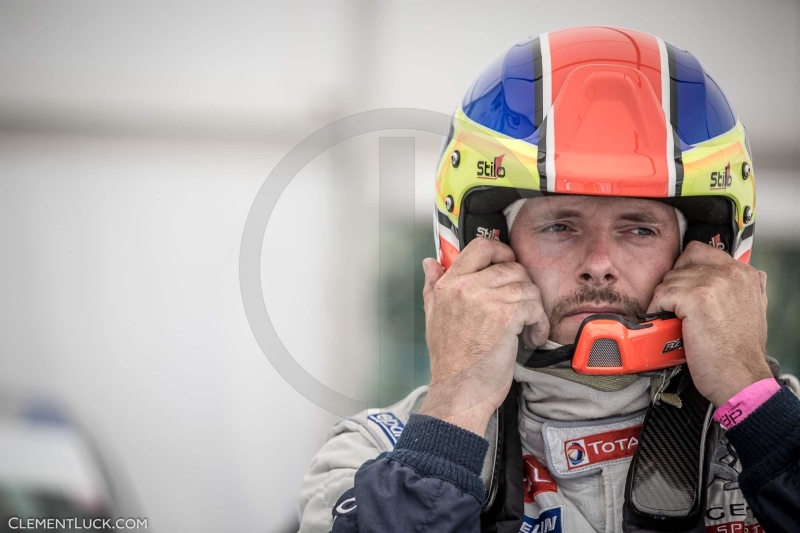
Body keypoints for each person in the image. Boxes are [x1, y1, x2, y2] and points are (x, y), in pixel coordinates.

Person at [296, 26, 800, 533]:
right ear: (488, 246)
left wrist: (752, 398)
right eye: (560, 226)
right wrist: (455, 409)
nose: (598, 262)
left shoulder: (780, 423)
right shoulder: (376, 451)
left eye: (639, 229)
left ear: (703, 253)